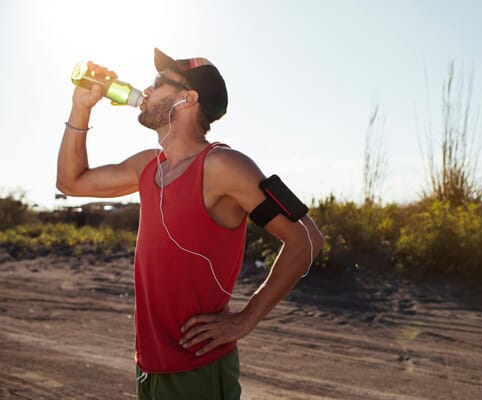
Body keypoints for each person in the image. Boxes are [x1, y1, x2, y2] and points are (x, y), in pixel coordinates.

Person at [57, 48, 324, 400]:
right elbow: (70, 183)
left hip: (198, 368)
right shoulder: (148, 166)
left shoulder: (223, 165)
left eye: (158, 83)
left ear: (188, 98)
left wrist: (246, 319)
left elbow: (307, 238)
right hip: (149, 365)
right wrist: (81, 107)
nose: (146, 91)